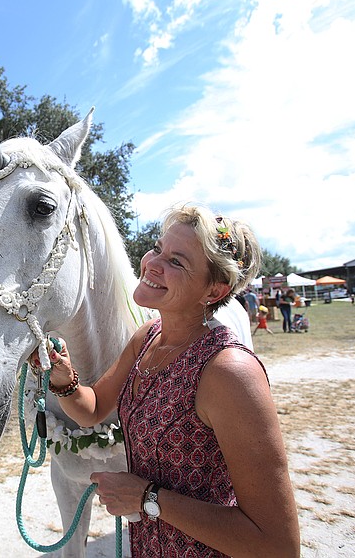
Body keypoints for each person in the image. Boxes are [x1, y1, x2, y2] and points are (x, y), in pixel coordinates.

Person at [38, 204, 299, 556]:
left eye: (177, 261)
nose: (152, 263)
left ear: (215, 291)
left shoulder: (228, 371)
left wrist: (145, 497)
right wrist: (64, 378)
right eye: (158, 248)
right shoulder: (148, 336)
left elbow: (278, 546)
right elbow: (92, 409)